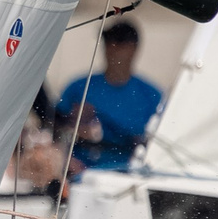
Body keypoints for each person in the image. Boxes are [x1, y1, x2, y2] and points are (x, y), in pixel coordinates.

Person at [55, 19, 162, 174]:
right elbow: (51, 125)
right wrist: (72, 124)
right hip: (80, 172)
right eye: (108, 42)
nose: (112, 49)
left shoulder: (151, 95)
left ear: (134, 49)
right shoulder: (78, 87)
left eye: (119, 44)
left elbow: (157, 144)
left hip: (127, 174)